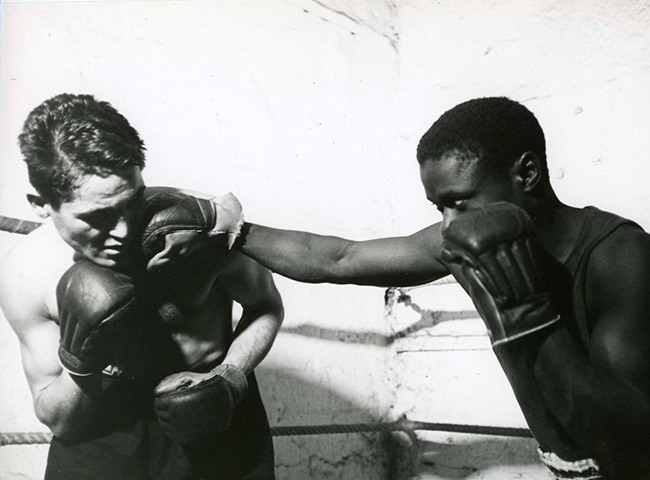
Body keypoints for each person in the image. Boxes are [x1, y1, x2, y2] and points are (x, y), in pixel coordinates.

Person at [209, 97, 650, 479]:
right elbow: (338, 258)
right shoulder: (464, 245)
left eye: (460, 202)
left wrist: (529, 314)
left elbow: (628, 445)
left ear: (527, 173)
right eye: (439, 207)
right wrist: (231, 229)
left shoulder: (619, 257)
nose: (448, 227)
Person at [0, 93, 284, 480]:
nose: (123, 230)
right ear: (41, 204)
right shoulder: (26, 273)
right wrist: (82, 357)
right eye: (97, 217)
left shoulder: (189, 229)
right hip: (103, 426)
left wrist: (231, 377)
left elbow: (266, 305)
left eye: (132, 202)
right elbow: (59, 420)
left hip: (212, 404)